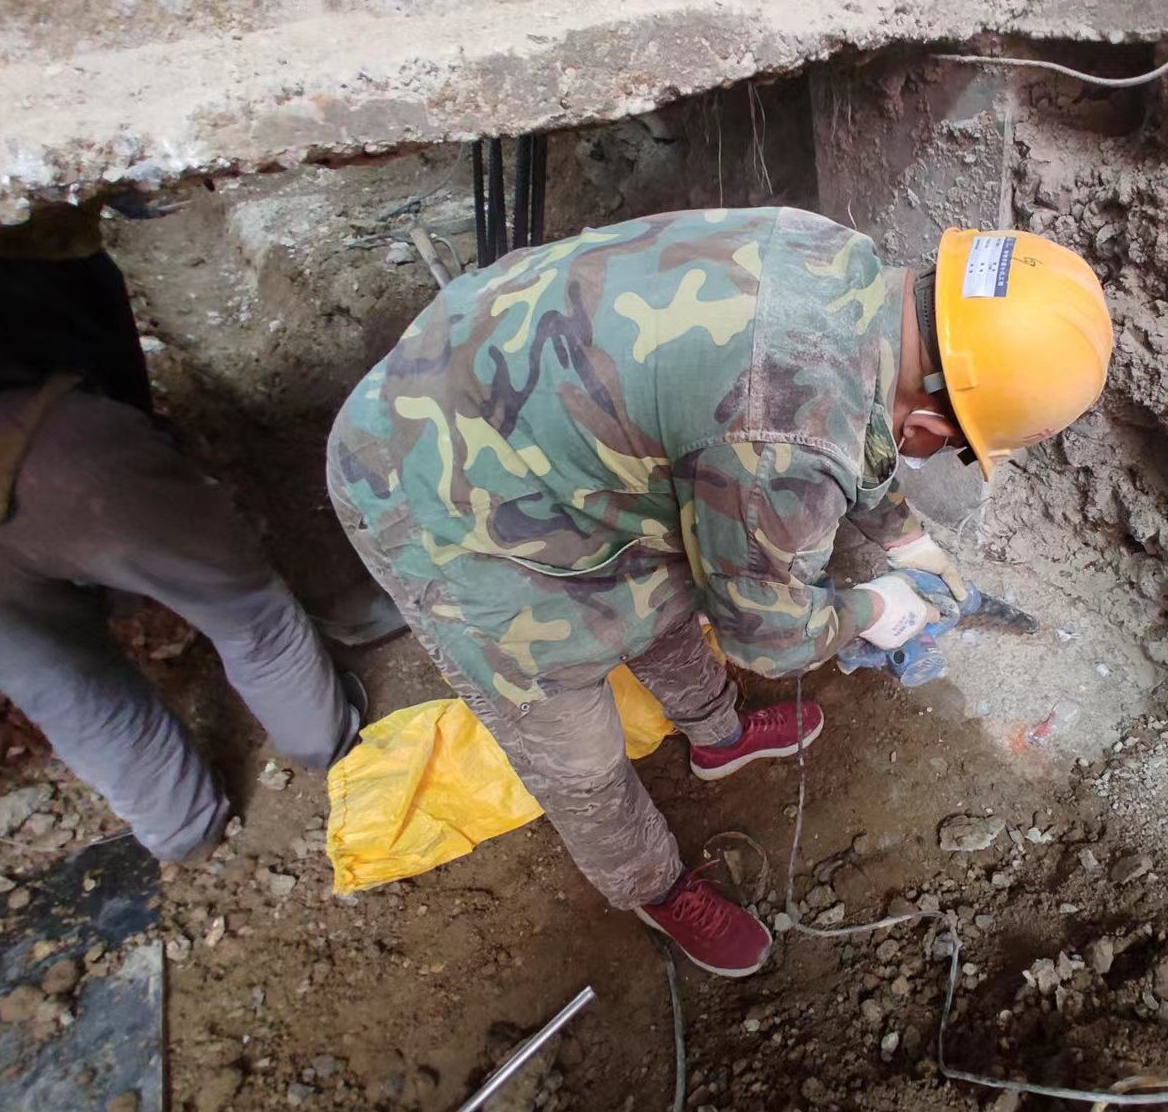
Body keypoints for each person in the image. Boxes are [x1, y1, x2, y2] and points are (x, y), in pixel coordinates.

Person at [327, 208, 1112, 975]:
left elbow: (862, 420)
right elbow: (768, 637)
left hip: (506, 395)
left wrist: (905, 536)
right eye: (957, 447)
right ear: (939, 417)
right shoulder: (782, 434)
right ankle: (652, 886)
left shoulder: (841, 262)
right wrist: (877, 608)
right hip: (424, 488)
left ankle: (717, 734)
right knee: (574, 744)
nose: (943, 453)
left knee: (674, 584)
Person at [0, 204, 361, 862]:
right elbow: (116, 369)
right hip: (61, 451)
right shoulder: (43, 241)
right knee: (247, 611)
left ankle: (182, 831)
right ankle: (325, 741)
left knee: (67, 689)